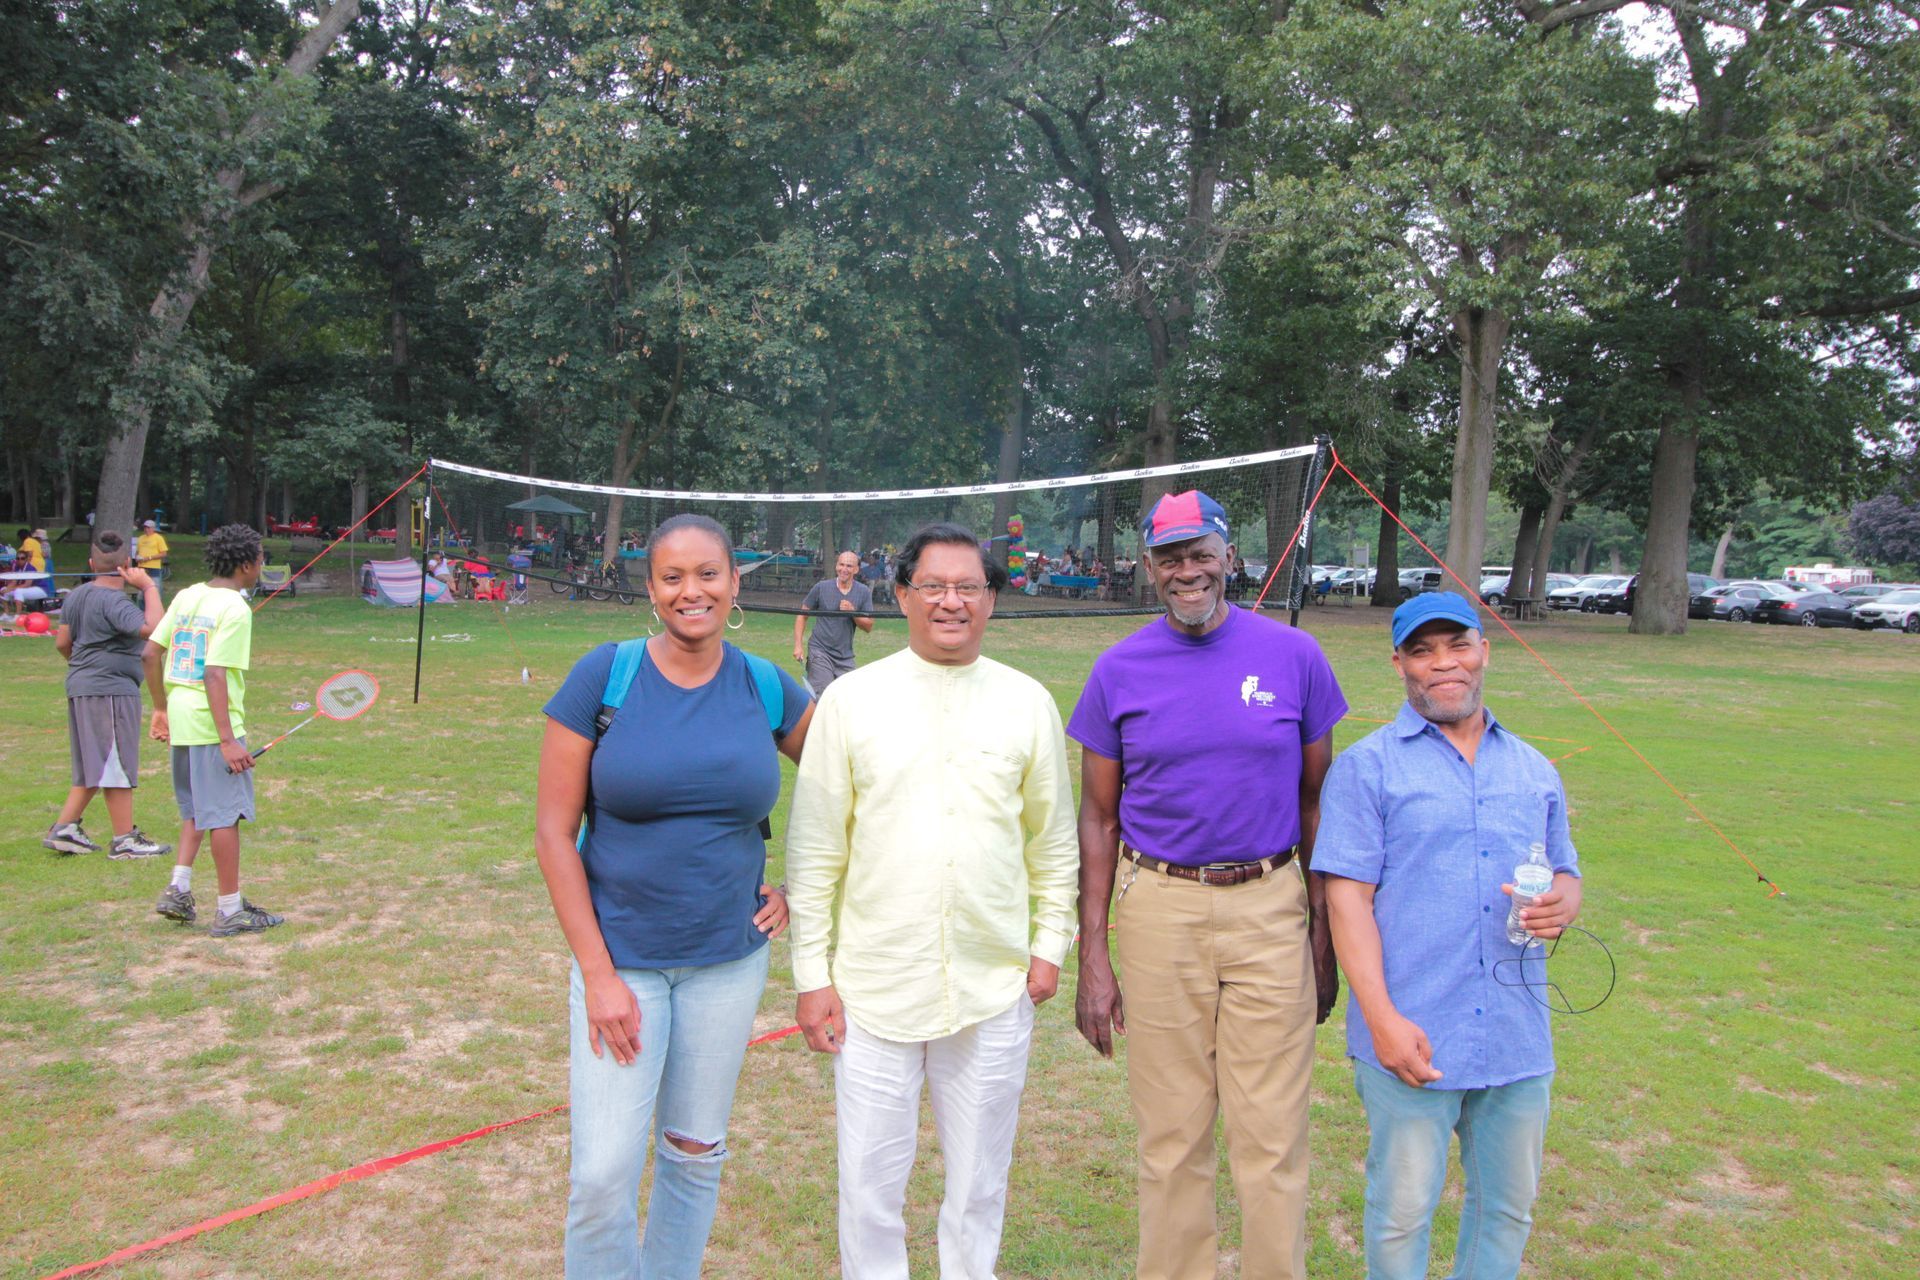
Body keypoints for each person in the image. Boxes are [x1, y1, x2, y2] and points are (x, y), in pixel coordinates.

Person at [1067, 489, 1348, 1280]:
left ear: (1229, 556)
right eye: (1169, 557)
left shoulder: (1295, 657)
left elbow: (1317, 802)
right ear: (1148, 567)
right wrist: (1095, 953)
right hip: (1160, 906)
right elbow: (1097, 818)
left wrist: (1322, 935)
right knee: (1172, 1136)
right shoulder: (1119, 669)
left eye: (1199, 554)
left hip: (1271, 903)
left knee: (1271, 1135)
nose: (1186, 571)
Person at [786, 522, 1078, 1280]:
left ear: (990, 598)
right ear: (903, 596)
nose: (953, 602)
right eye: (935, 587)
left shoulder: (1027, 702)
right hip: (874, 990)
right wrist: (811, 975)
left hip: (992, 988)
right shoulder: (851, 702)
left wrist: (1050, 947)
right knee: (870, 1190)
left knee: (979, 1186)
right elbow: (816, 851)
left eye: (970, 587)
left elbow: (1053, 842)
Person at [536, 513, 814, 1278]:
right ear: (651, 591)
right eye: (672, 577)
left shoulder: (765, 686)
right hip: (622, 963)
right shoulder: (607, 675)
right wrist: (597, 975)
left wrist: (799, 886)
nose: (692, 591)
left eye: (708, 575)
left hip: (727, 962)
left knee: (694, 1152)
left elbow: (851, 782)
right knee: (602, 1173)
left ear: (733, 585)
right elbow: (554, 835)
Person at [1313, 593, 1583, 1280]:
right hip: (1413, 1032)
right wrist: (1381, 1020)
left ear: (1484, 651)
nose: (1444, 665)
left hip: (1517, 1037)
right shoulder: (1369, 768)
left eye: (1457, 645)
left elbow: (1564, 871)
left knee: (1508, 1210)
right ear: (1399, 663)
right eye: (1423, 651)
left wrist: (1564, 902)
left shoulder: (1532, 769)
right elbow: (1347, 903)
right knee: (1403, 1214)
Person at [144, 523, 281, 936]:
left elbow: (150, 653)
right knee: (224, 815)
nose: (261, 567)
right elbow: (214, 673)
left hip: (184, 719)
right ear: (244, 565)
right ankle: (229, 909)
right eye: (259, 560)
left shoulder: (187, 594)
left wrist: (160, 709)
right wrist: (226, 739)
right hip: (210, 725)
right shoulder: (235, 607)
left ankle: (178, 888)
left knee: (197, 811)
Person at [43, 531, 171, 859]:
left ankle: (65, 829)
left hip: (82, 686)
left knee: (95, 760)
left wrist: (85, 668)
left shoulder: (76, 595)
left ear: (91, 564)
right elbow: (155, 630)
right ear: (127, 564)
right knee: (115, 760)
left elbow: (62, 643)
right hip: (109, 690)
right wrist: (148, 587)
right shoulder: (114, 601)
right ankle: (124, 839)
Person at [793, 549, 874, 695]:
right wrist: (798, 646)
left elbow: (868, 626)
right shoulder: (822, 587)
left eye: (849, 566)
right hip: (820, 652)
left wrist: (853, 612)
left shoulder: (863, 592)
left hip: (845, 657)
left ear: (856, 569)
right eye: (841, 564)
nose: (844, 569)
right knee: (822, 695)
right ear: (836, 566)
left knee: (846, 699)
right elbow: (802, 615)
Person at [135, 519, 169, 593]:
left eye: (148, 528)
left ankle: (155, 602)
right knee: (141, 589)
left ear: (153, 528)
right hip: (142, 566)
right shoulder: (141, 538)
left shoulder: (158, 538)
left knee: (154, 588)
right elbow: (137, 551)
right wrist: (137, 558)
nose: (146, 529)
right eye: (145, 527)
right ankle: (141, 603)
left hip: (154, 567)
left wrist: (149, 558)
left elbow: (164, 553)